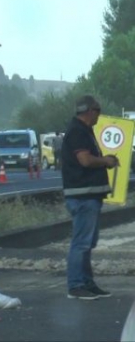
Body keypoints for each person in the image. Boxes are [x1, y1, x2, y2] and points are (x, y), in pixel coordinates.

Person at [61, 95, 118, 300]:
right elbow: (84, 160)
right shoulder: (77, 131)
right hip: (82, 195)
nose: (99, 115)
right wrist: (105, 161)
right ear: (89, 111)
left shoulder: (84, 130)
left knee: (87, 241)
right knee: (82, 242)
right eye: (98, 110)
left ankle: (86, 282)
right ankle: (76, 285)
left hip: (87, 195)